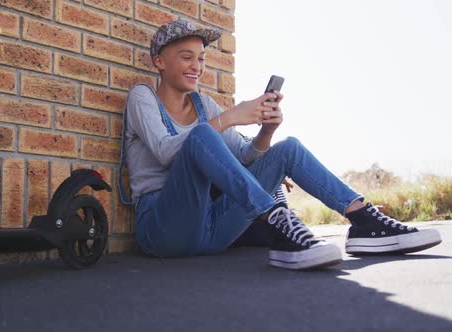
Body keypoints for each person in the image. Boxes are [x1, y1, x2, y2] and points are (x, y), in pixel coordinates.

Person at [118, 19, 442, 270]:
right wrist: (230, 117)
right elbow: (164, 152)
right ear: (159, 61)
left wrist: (266, 133)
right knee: (204, 135)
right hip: (162, 230)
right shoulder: (142, 97)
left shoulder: (205, 106)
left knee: (288, 147)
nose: (196, 67)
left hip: (210, 230)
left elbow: (246, 155)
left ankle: (364, 220)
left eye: (201, 59)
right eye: (186, 57)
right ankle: (280, 222)